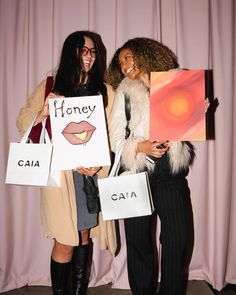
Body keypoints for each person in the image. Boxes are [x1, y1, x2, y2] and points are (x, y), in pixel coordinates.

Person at [16, 31, 116, 295]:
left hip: (90, 176)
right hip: (61, 179)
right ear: (71, 53)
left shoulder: (104, 91)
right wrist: (43, 111)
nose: (89, 56)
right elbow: (22, 121)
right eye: (83, 50)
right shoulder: (50, 85)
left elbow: (114, 135)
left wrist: (99, 164)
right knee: (65, 240)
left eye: (93, 51)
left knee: (84, 235)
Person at [106, 37, 198, 295]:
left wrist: (196, 111)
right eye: (120, 61)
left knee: (177, 238)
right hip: (138, 171)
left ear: (145, 54)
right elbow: (115, 139)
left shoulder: (175, 82)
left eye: (128, 57)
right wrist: (139, 146)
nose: (124, 64)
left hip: (171, 170)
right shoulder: (125, 91)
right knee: (137, 241)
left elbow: (184, 123)